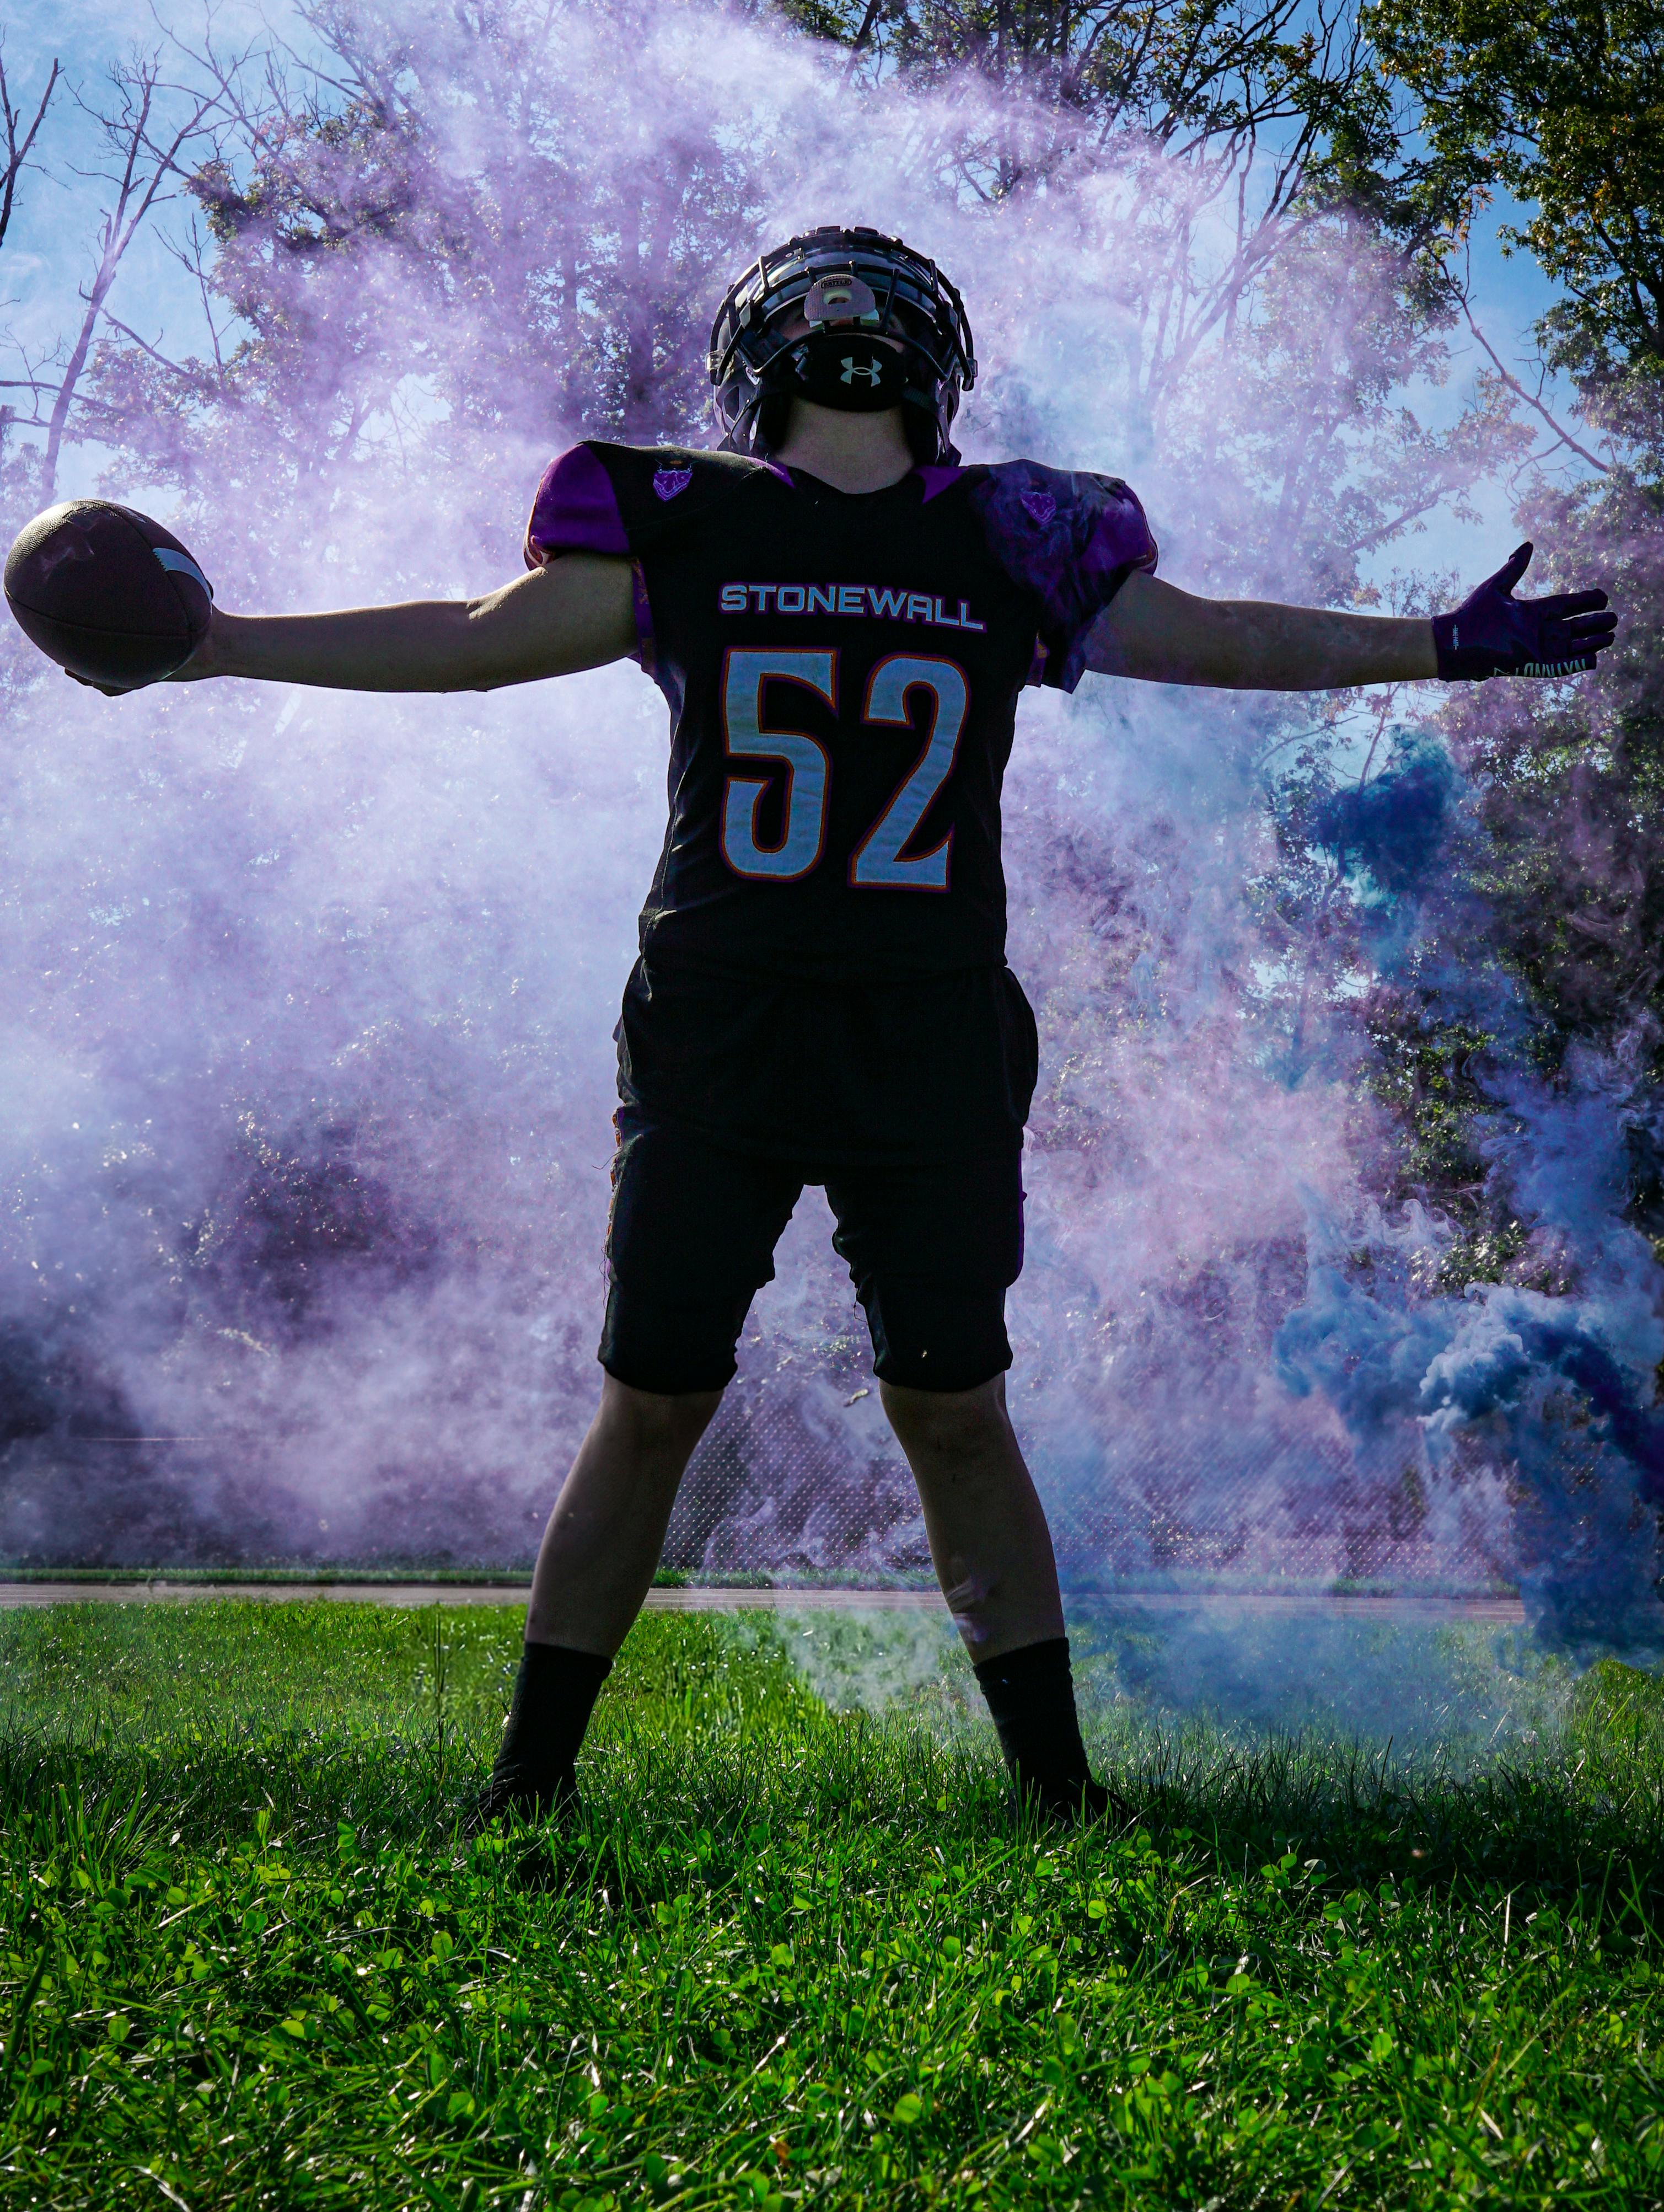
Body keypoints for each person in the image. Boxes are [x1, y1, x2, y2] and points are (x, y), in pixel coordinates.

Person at [160, 224, 1615, 1825]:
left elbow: (1216, 641)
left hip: (902, 1035)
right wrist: (223, 645)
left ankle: (1058, 1797)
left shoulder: (985, 532)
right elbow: (472, 639)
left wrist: (1427, 645)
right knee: (666, 1400)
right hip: (731, 1030)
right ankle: (526, 1783)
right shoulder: (709, 519)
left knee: (942, 1408)